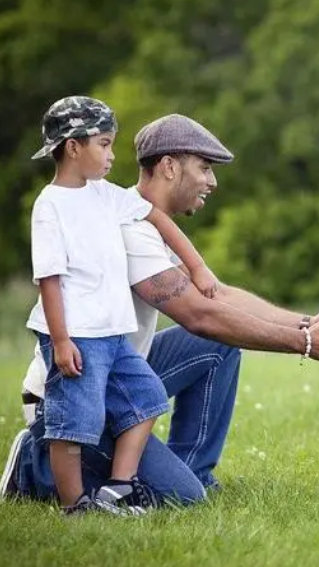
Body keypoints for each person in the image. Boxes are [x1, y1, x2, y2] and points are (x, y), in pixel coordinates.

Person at [2, 113, 319, 507]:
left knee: (219, 347)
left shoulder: (144, 220)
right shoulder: (127, 228)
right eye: (204, 168)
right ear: (168, 166)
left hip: (118, 375)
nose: (212, 182)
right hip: (76, 386)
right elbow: (198, 315)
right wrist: (305, 343)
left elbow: (219, 298)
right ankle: (34, 465)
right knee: (178, 497)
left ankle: (191, 469)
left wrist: (306, 323)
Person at [27, 97, 220, 515]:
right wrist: (60, 340)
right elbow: (49, 279)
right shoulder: (50, 207)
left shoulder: (106, 196)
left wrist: (198, 267)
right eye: (104, 143)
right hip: (77, 335)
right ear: (73, 147)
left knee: (148, 397)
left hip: (113, 336)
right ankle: (69, 500)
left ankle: (119, 487)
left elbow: (157, 218)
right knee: (76, 421)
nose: (113, 155)